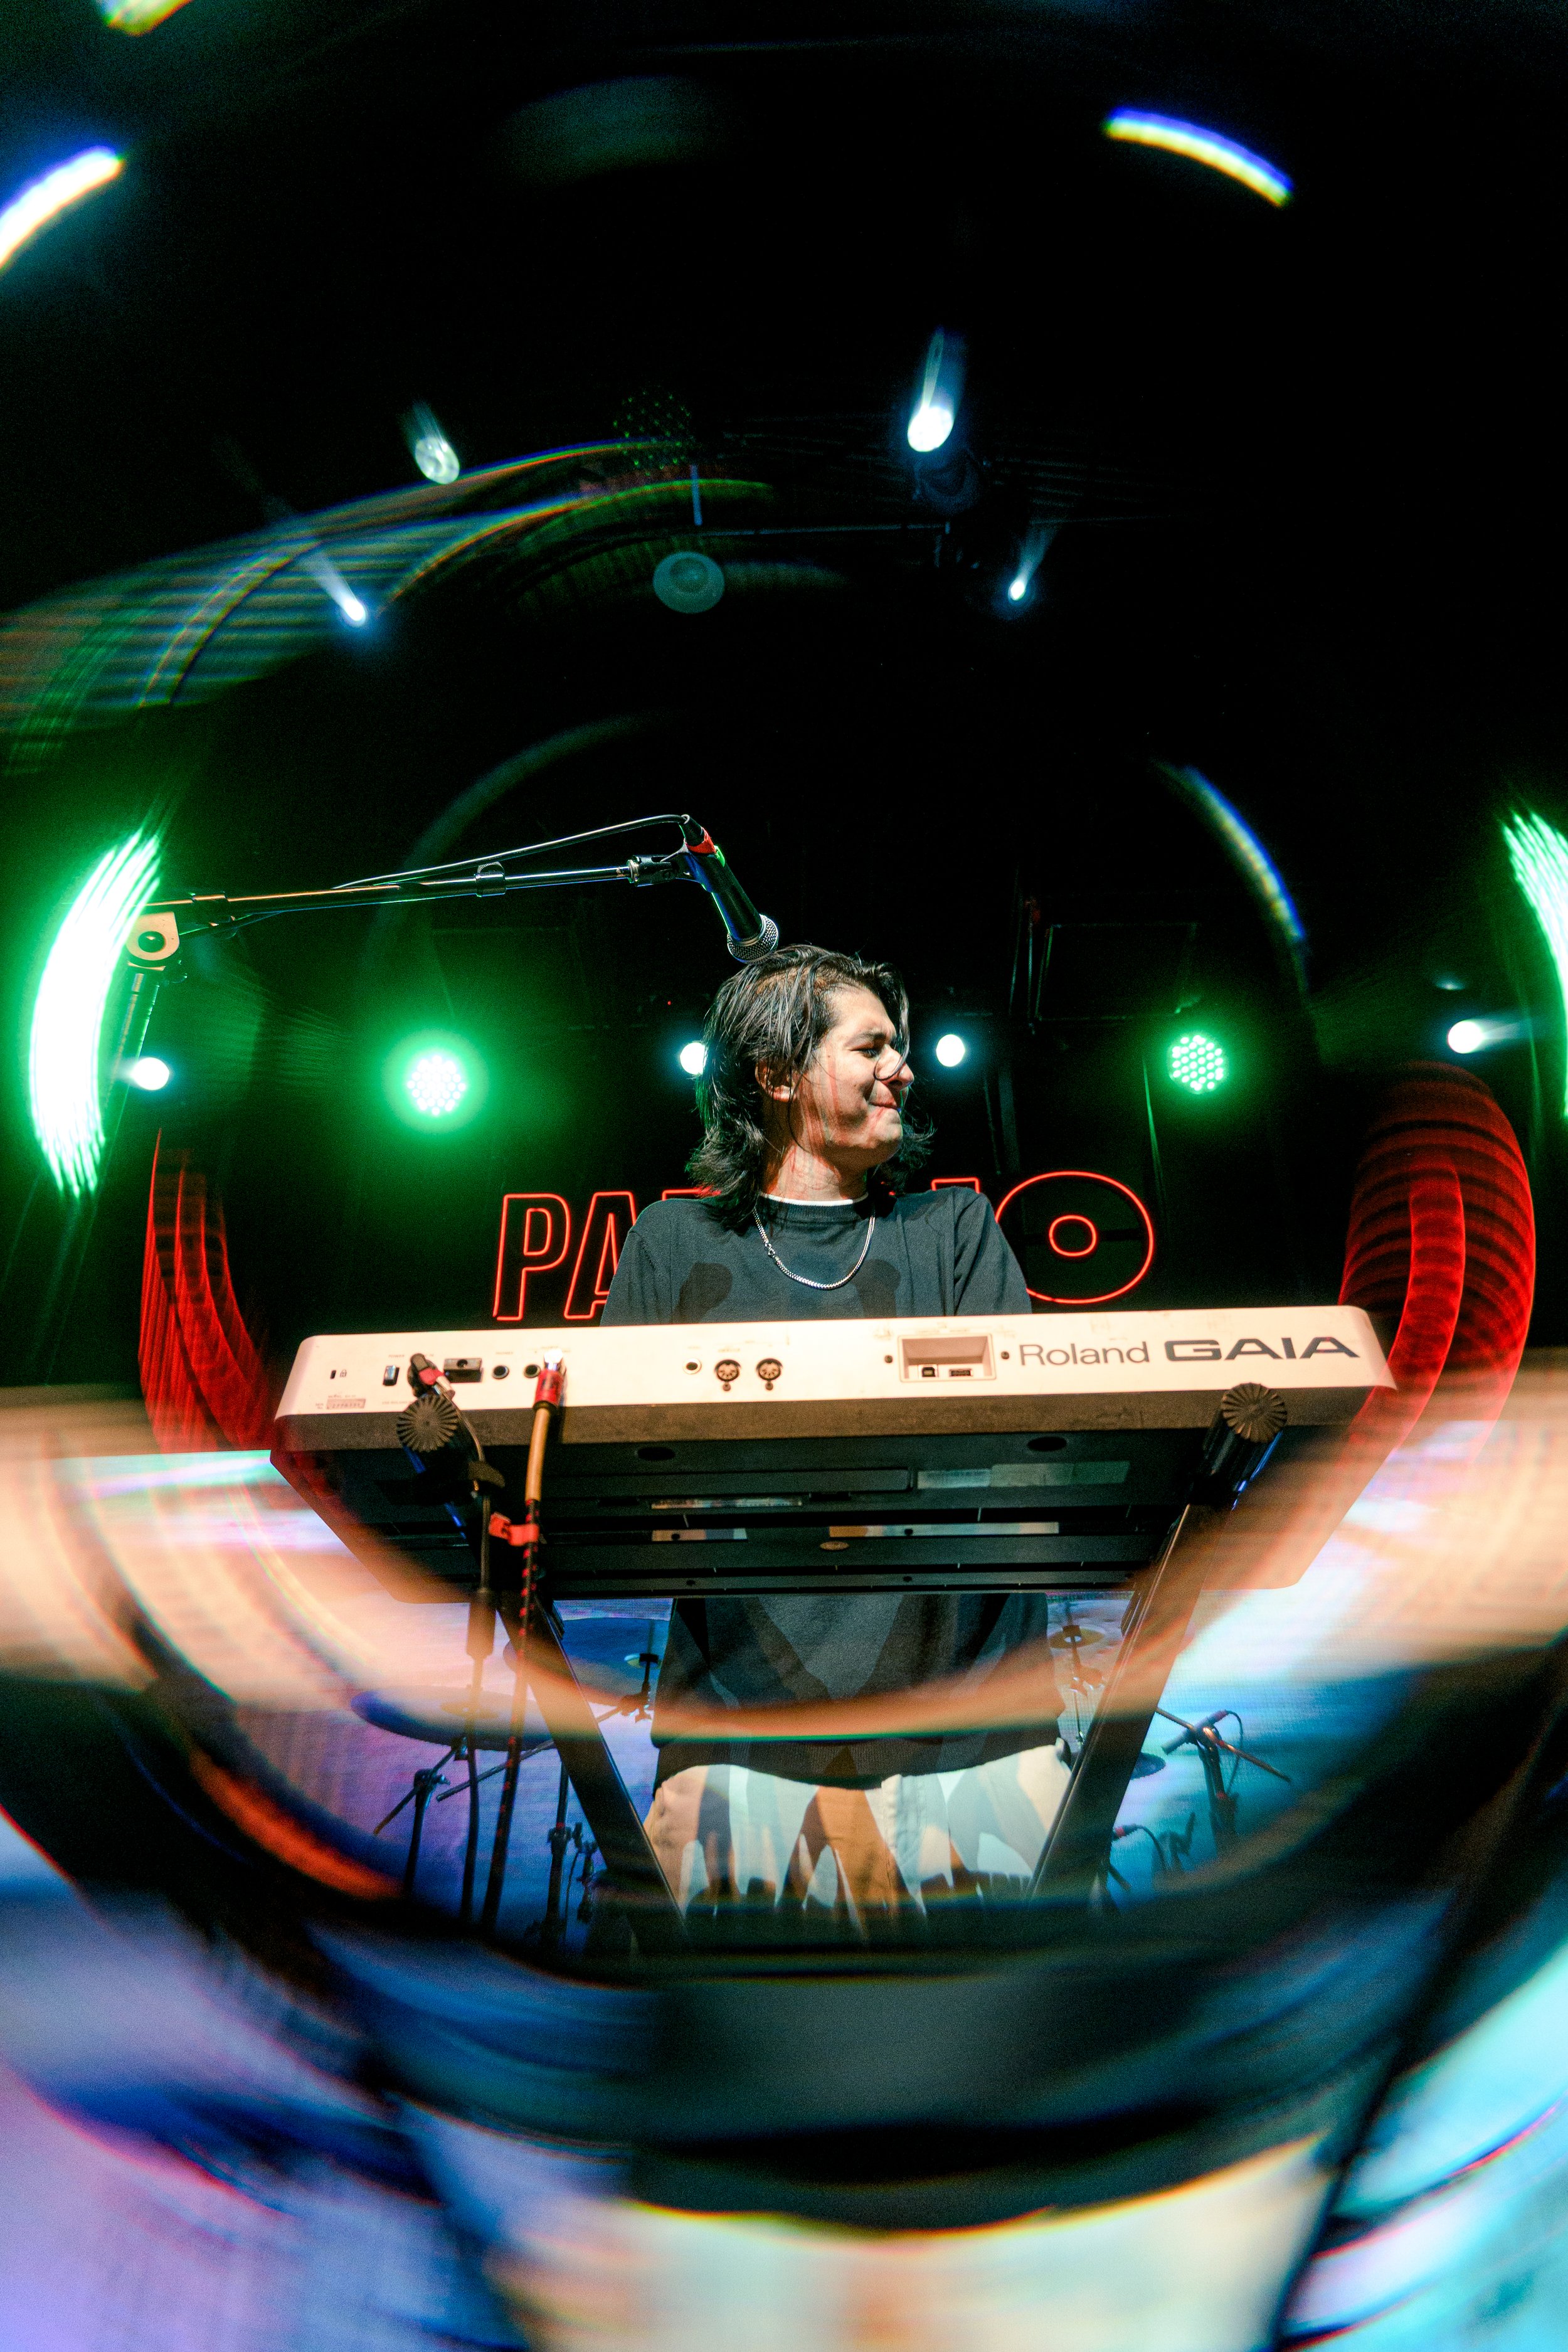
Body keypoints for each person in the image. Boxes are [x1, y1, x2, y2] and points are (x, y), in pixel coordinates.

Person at [600, 946, 1068, 1928]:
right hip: (736, 1731)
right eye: (873, 1045)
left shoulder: (955, 1230)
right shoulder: (671, 1246)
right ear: (776, 1075)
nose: (903, 1066)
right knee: (736, 2047)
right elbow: (620, 1484)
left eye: (900, 1045)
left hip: (978, 1722)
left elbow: (1023, 1449)